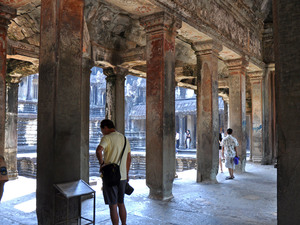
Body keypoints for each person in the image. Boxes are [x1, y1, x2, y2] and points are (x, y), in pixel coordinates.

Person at [96, 119, 131, 225]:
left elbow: (98, 150)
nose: (102, 132)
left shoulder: (107, 138)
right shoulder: (124, 138)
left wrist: (101, 163)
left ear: (105, 127)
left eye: (102, 130)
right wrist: (127, 173)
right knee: (121, 203)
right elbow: (129, 157)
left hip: (110, 176)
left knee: (113, 205)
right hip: (123, 177)